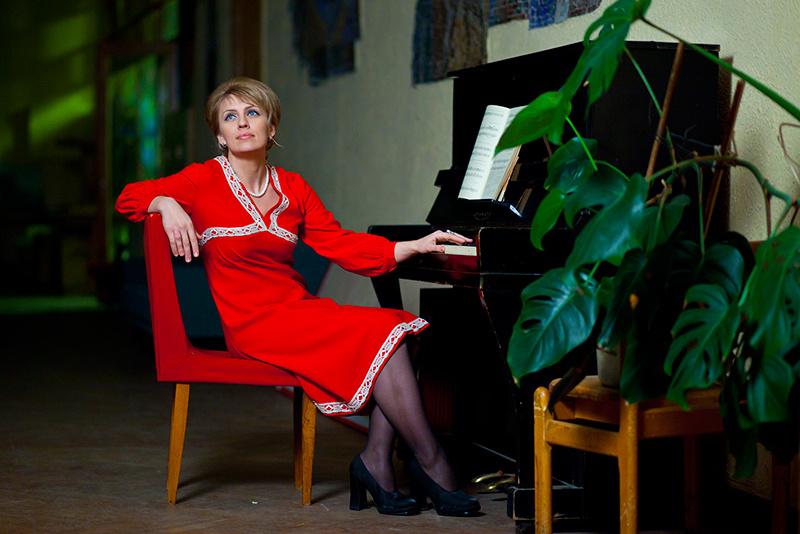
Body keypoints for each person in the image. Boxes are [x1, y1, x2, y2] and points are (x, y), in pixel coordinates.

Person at [115, 77, 480, 517]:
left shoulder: (293, 187)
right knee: (390, 330)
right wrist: (165, 203)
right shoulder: (202, 179)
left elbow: (340, 244)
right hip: (250, 323)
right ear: (220, 135)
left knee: (398, 329)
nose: (242, 123)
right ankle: (432, 463)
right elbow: (128, 198)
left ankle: (376, 462)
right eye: (230, 117)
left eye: (253, 113)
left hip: (298, 310)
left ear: (271, 128)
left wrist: (414, 245)